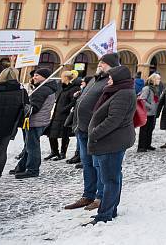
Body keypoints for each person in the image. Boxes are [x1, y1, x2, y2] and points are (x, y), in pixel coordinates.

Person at [85, 65, 136, 225]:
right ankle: (110, 209)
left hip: (111, 142)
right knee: (113, 177)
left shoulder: (123, 94)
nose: (109, 80)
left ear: (119, 79)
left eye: (112, 78)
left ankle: (105, 214)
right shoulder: (118, 91)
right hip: (109, 141)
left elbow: (113, 120)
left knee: (110, 180)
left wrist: (94, 134)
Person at [64, 53, 115, 211]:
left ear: (112, 66)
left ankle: (100, 197)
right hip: (81, 128)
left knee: (98, 165)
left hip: (95, 131)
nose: (100, 65)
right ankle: (88, 195)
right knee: (87, 164)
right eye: (100, 62)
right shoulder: (95, 79)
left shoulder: (111, 81)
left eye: (103, 63)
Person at [13, 67, 57, 179]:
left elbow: (34, 108)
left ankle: (33, 169)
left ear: (44, 77)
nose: (34, 77)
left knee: (32, 147)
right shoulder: (46, 88)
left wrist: (23, 104)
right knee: (29, 145)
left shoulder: (42, 89)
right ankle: (21, 167)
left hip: (35, 121)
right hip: (40, 120)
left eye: (37, 75)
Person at [46, 70, 81, 161]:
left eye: (62, 77)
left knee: (64, 134)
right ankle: (54, 151)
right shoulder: (62, 87)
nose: (60, 78)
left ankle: (62, 153)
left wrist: (65, 109)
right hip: (56, 114)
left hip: (65, 115)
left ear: (65, 78)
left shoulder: (74, 88)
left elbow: (73, 101)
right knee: (51, 134)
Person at [137, 73, 161, 152]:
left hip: (153, 113)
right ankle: (141, 147)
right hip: (147, 112)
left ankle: (147, 144)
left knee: (150, 129)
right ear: (153, 79)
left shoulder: (155, 88)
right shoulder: (147, 88)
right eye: (158, 79)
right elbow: (142, 100)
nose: (159, 81)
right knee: (144, 130)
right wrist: (150, 106)